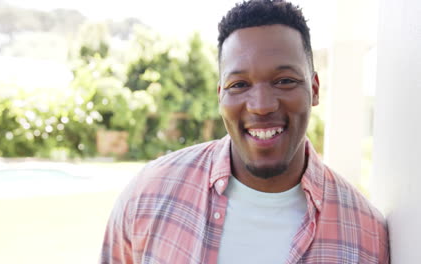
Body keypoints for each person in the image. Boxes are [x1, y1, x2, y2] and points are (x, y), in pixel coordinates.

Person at [100, 0, 389, 263]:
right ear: (220, 96)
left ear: (313, 89)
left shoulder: (366, 235)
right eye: (239, 84)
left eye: (284, 81)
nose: (261, 106)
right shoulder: (149, 193)